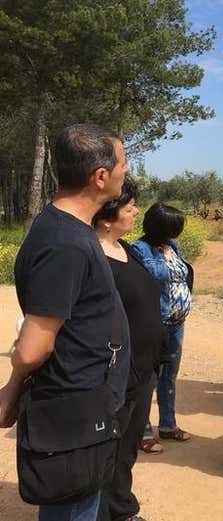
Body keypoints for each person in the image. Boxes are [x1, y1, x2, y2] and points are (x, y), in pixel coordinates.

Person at [0, 123, 130, 521]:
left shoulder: (71, 229)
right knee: (73, 510)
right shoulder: (64, 244)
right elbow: (33, 347)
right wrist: (13, 387)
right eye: (123, 163)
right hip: (72, 413)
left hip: (82, 405)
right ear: (101, 176)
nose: (127, 171)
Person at [93, 178, 165, 521]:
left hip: (144, 367)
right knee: (110, 447)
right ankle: (106, 511)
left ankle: (120, 506)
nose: (136, 211)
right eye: (129, 206)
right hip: (120, 371)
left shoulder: (128, 249)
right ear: (107, 217)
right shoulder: (95, 258)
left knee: (128, 445)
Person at [132, 203, 194, 453]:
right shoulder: (140, 250)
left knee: (169, 375)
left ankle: (168, 425)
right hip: (155, 324)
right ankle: (143, 430)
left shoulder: (173, 247)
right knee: (148, 378)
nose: (179, 231)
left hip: (177, 323)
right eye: (175, 226)